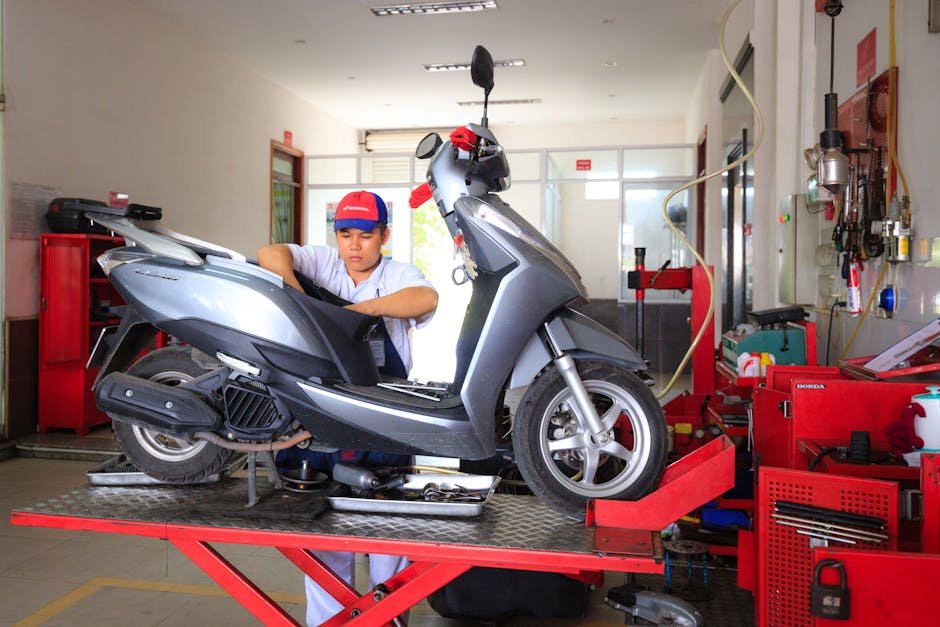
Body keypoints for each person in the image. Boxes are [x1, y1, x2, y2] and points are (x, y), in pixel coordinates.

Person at [257, 190, 437, 626]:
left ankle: (389, 620)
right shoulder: (322, 262)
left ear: (384, 235)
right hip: (323, 412)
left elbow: (426, 299)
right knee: (324, 545)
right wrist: (302, 299)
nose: (354, 246)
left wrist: (358, 313)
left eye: (366, 235)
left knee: (389, 543)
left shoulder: (397, 274)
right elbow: (269, 252)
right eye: (346, 234)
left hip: (383, 414)